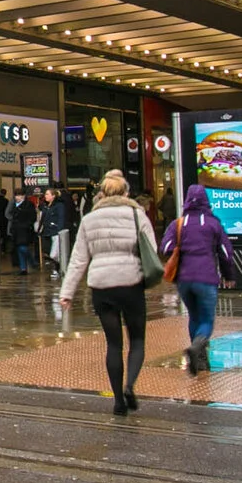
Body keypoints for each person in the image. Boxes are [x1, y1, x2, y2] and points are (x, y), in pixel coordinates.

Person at [57, 171, 160, 415]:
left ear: (102, 193)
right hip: (131, 284)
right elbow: (152, 249)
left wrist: (67, 292)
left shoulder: (90, 219)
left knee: (113, 344)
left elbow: (79, 259)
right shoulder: (137, 215)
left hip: (101, 287)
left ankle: (117, 402)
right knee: (136, 340)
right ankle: (130, 385)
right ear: (126, 192)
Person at [162, 186, 235, 374]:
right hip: (206, 278)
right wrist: (229, 276)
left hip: (184, 280)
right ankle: (198, 347)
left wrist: (182, 251)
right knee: (207, 319)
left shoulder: (178, 224)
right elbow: (226, 253)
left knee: (194, 316)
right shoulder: (213, 224)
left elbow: (166, 247)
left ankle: (201, 359)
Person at [40, 186, 72, 280]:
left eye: (47, 194)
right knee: (48, 253)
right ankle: (58, 267)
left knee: (54, 254)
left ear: (53, 196)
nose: (45, 196)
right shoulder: (46, 206)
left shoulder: (59, 205)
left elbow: (61, 218)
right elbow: (43, 219)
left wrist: (59, 230)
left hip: (55, 232)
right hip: (46, 232)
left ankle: (60, 267)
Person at [8, 188, 39, 276]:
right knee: (18, 248)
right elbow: (10, 214)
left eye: (19, 195)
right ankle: (23, 268)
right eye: (16, 195)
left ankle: (31, 261)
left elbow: (33, 217)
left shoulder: (29, 204)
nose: (17, 197)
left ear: (23, 196)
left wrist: (27, 224)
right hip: (16, 230)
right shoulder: (14, 205)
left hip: (25, 230)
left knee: (23, 247)